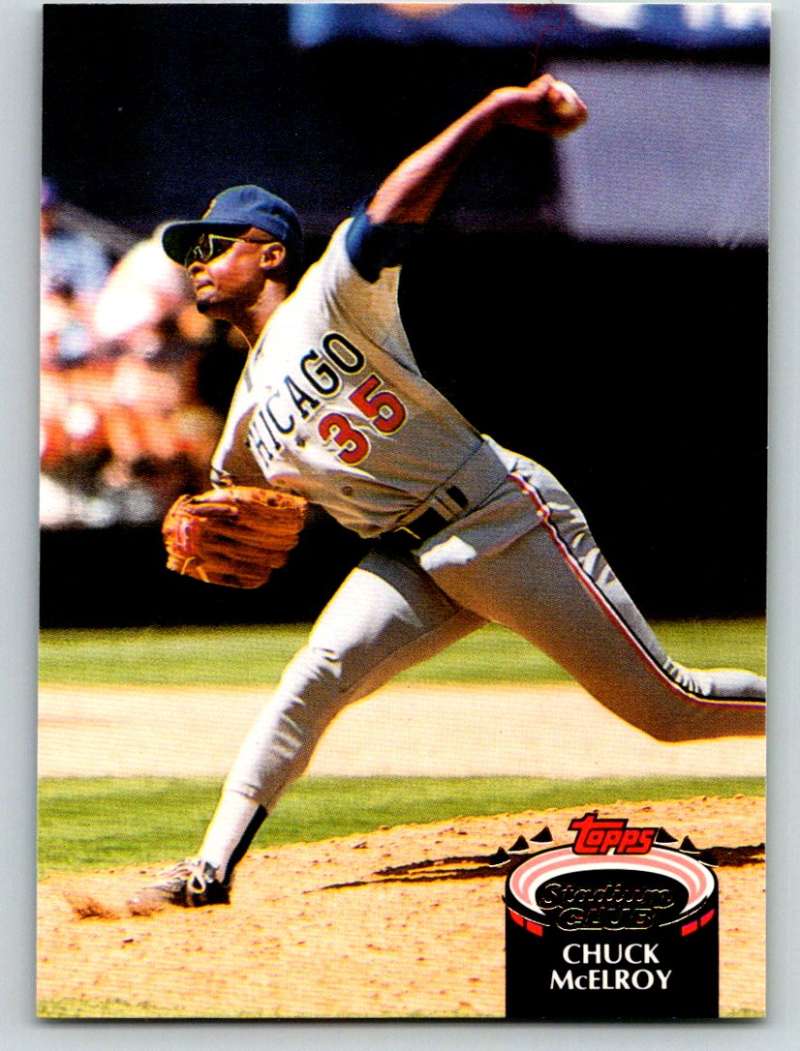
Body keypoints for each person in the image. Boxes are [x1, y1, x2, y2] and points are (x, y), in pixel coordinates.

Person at [131, 75, 765, 909]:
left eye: (216, 244)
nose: (199, 263)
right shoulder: (241, 424)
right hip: (410, 557)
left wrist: (496, 111)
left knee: (668, 706)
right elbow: (232, 517)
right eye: (191, 254)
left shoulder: (333, 296)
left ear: (271, 251)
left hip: (500, 513)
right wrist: (198, 529)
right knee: (311, 678)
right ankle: (208, 868)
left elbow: (393, 204)